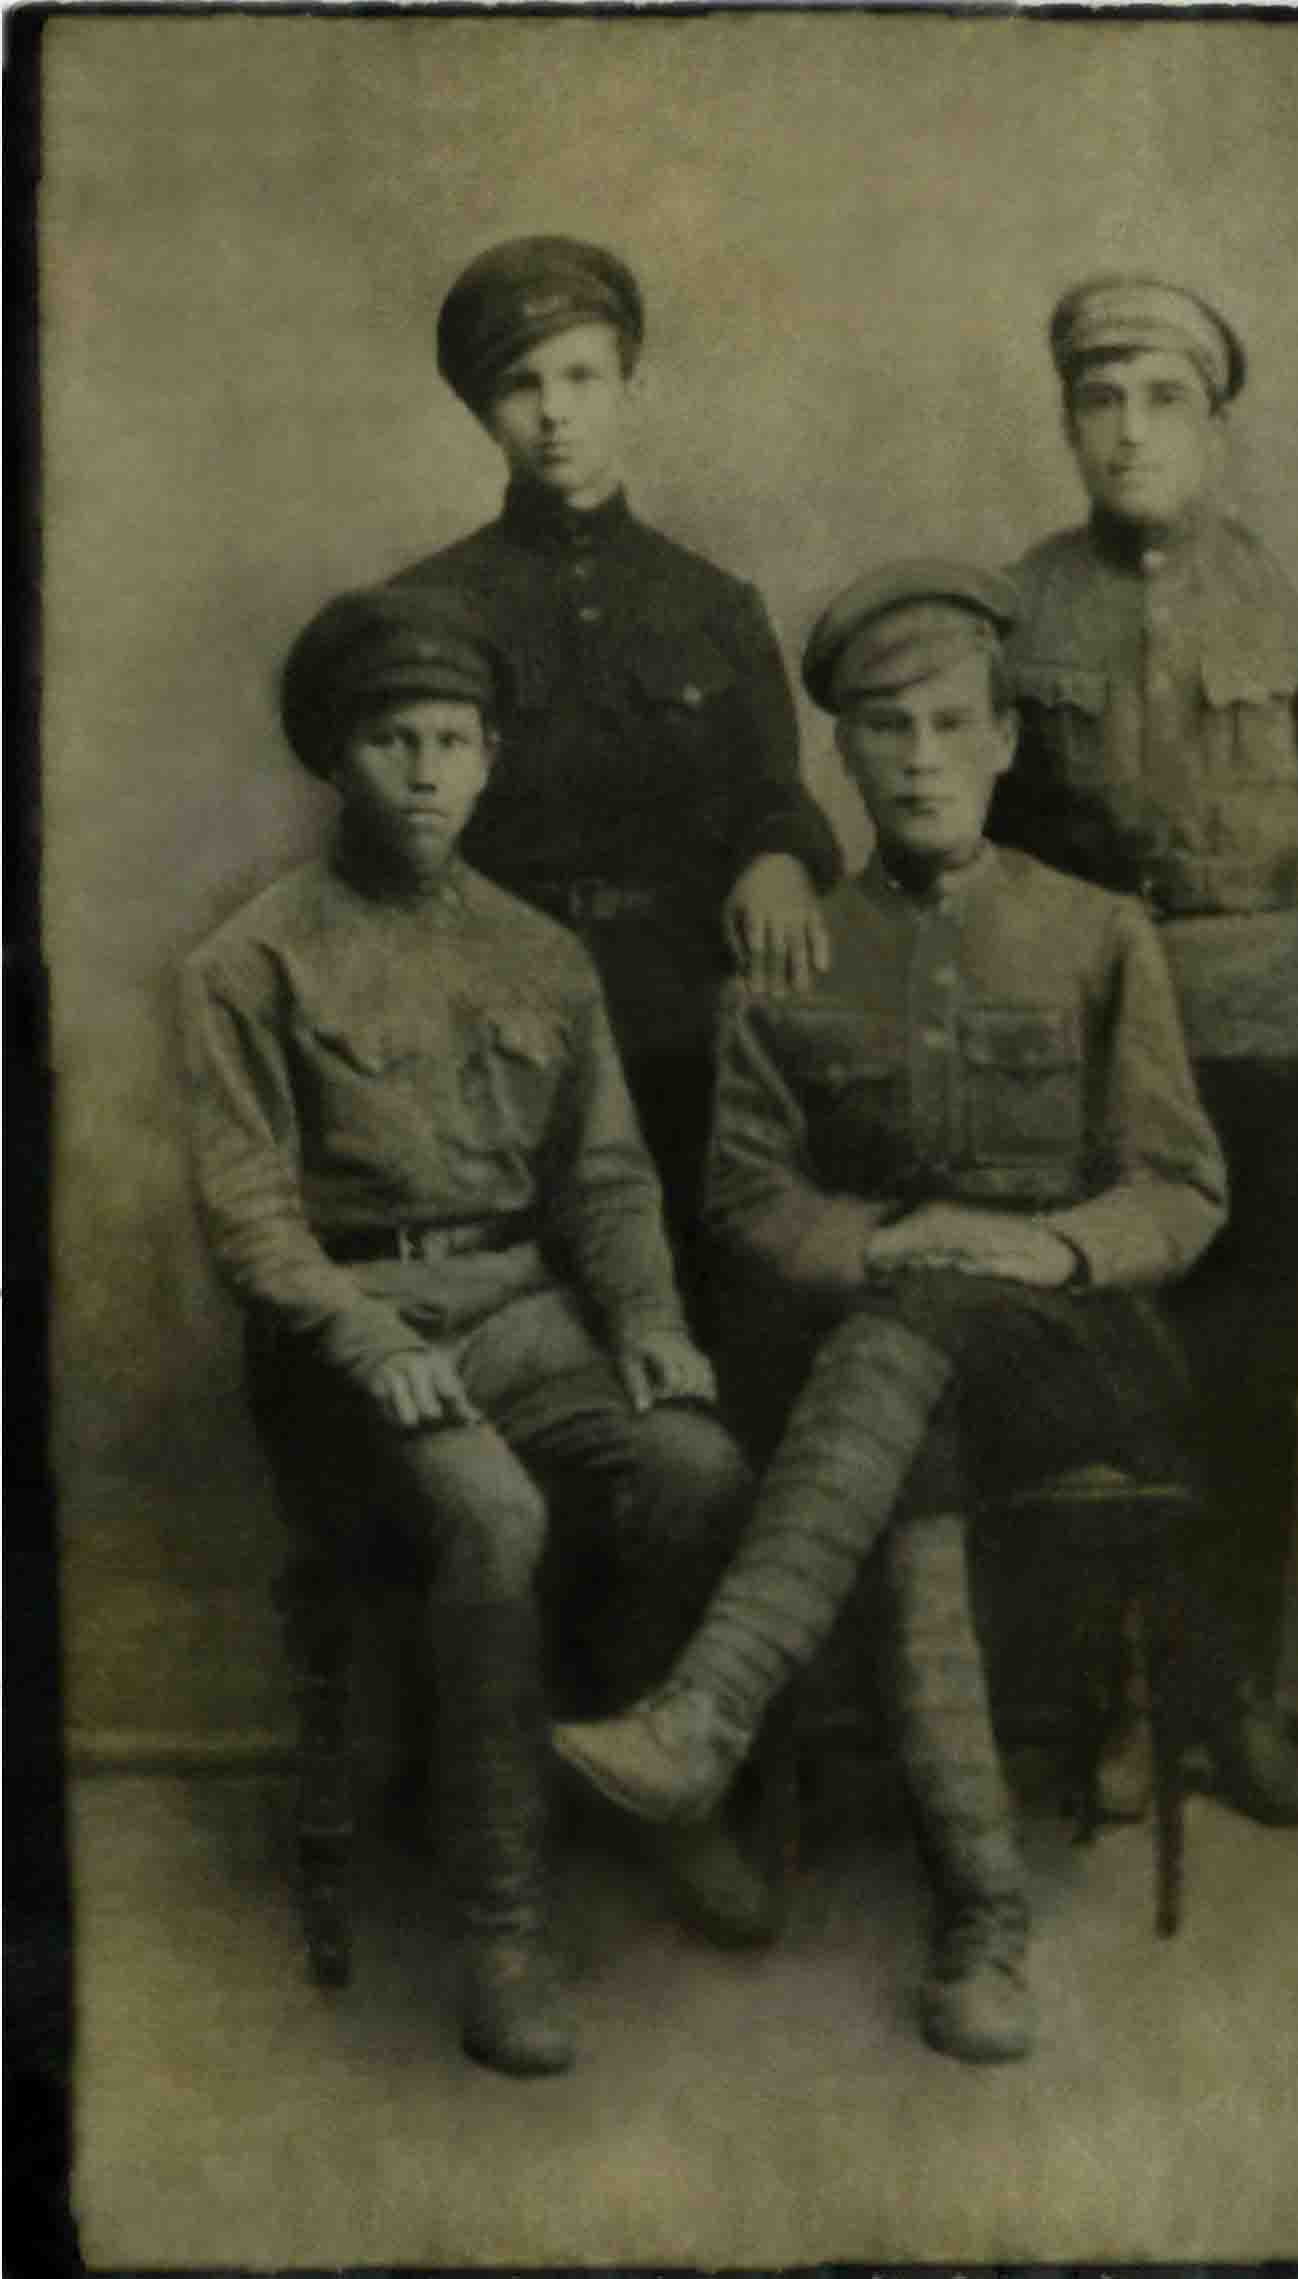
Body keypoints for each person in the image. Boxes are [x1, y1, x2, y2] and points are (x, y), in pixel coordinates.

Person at [553, 562, 1231, 2065]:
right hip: (887, 1372)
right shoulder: (790, 953)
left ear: (1005, 739)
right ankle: (982, 1923)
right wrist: (885, 1241)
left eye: (950, 724)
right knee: (904, 1455)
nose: (921, 758)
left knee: (899, 1347)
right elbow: (745, 1192)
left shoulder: (1097, 930)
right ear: (842, 756)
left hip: (1075, 1351)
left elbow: (1182, 1188)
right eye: (884, 728)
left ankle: (706, 1708)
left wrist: (1042, 1249)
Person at [182, 584, 777, 2082]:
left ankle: (659, 1786)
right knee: (494, 1513)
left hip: (521, 1311)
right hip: (348, 1340)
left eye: (454, 741)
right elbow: (251, 1219)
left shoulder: (542, 952)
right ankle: (503, 1922)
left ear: (492, 757)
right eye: (395, 740)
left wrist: (648, 1322)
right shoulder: (251, 961)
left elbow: (608, 1179)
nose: (427, 772)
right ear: (339, 755)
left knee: (698, 1465)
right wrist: (363, 1333)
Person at [988, 276, 1298, 1826]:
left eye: (1163, 400)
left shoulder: (1280, 610)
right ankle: (1120, 1706)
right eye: (1100, 400)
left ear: (1214, 426)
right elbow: (986, 865)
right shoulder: (1019, 609)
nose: (1130, 431)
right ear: (1067, 424)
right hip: (1092, 1049)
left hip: (1260, 1040)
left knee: (1248, 1384)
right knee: (1108, 1382)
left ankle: (1236, 1696)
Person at [391, 235, 841, 1247]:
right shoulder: (427, 609)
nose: (554, 412)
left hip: (677, 1011)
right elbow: (392, 831)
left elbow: (772, 789)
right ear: (484, 411)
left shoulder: (713, 604)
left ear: (633, 387)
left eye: (582, 377)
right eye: (522, 384)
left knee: (693, 1270)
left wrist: (777, 857)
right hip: (490, 1009)